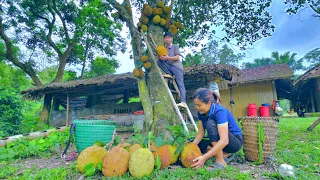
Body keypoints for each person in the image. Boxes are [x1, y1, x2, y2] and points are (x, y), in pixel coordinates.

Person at [191, 88, 243, 169]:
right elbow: (200, 133)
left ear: (208, 103)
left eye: (199, 105)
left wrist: (204, 157)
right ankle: (224, 153)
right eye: (196, 105)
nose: (197, 108)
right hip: (220, 141)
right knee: (194, 143)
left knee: (210, 123)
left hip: (234, 142)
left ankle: (220, 161)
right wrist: (191, 147)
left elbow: (224, 140)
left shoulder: (220, 111)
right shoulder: (201, 112)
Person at [157, 32, 187, 107]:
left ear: (171, 38)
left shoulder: (175, 46)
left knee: (180, 84)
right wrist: (163, 58)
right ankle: (169, 74)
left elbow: (177, 58)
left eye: (169, 38)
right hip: (170, 67)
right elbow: (165, 60)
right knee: (159, 61)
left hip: (177, 67)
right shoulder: (165, 49)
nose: (167, 39)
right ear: (164, 39)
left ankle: (183, 102)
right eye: (166, 38)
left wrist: (167, 57)